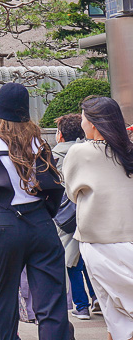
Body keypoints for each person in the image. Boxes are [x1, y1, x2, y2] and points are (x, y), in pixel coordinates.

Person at [0, 82, 72, 340]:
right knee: (52, 298)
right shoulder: (40, 143)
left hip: (6, 221)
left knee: (3, 296)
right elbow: (54, 187)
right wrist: (43, 214)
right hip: (40, 221)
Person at [62, 95, 133, 340]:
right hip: (129, 239)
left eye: (83, 118)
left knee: (113, 311)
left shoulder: (80, 152)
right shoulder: (128, 151)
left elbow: (72, 193)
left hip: (98, 241)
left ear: (92, 123)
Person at [51, 113, 98, 321]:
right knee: (88, 256)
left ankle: (81, 305)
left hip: (65, 215)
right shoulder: (90, 151)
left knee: (71, 261)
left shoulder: (53, 156)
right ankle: (97, 297)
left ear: (60, 135)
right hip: (89, 210)